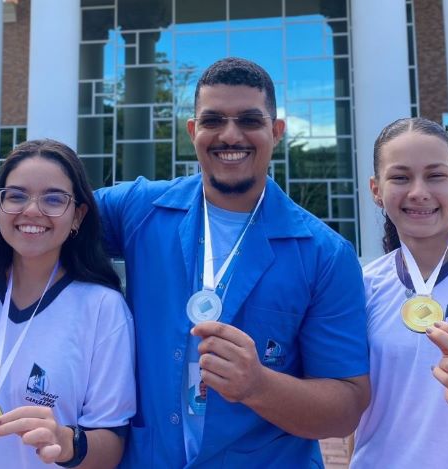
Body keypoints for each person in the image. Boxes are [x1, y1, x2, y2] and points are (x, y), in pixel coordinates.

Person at [96, 57, 370, 467]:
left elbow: (347, 404)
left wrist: (259, 385)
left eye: (249, 120)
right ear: (193, 131)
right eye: (213, 121)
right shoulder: (141, 211)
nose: (229, 135)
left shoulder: (324, 253)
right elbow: (35, 218)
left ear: (276, 131)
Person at [0, 139, 135, 469]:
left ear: (78, 215)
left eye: (53, 199)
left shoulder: (103, 308)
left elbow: (112, 442)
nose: (32, 210)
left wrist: (66, 441)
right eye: (16, 196)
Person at [350, 117, 448, 468]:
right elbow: (356, 422)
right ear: (376, 189)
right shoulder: (361, 286)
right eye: (401, 177)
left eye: (435, 175)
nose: (419, 191)